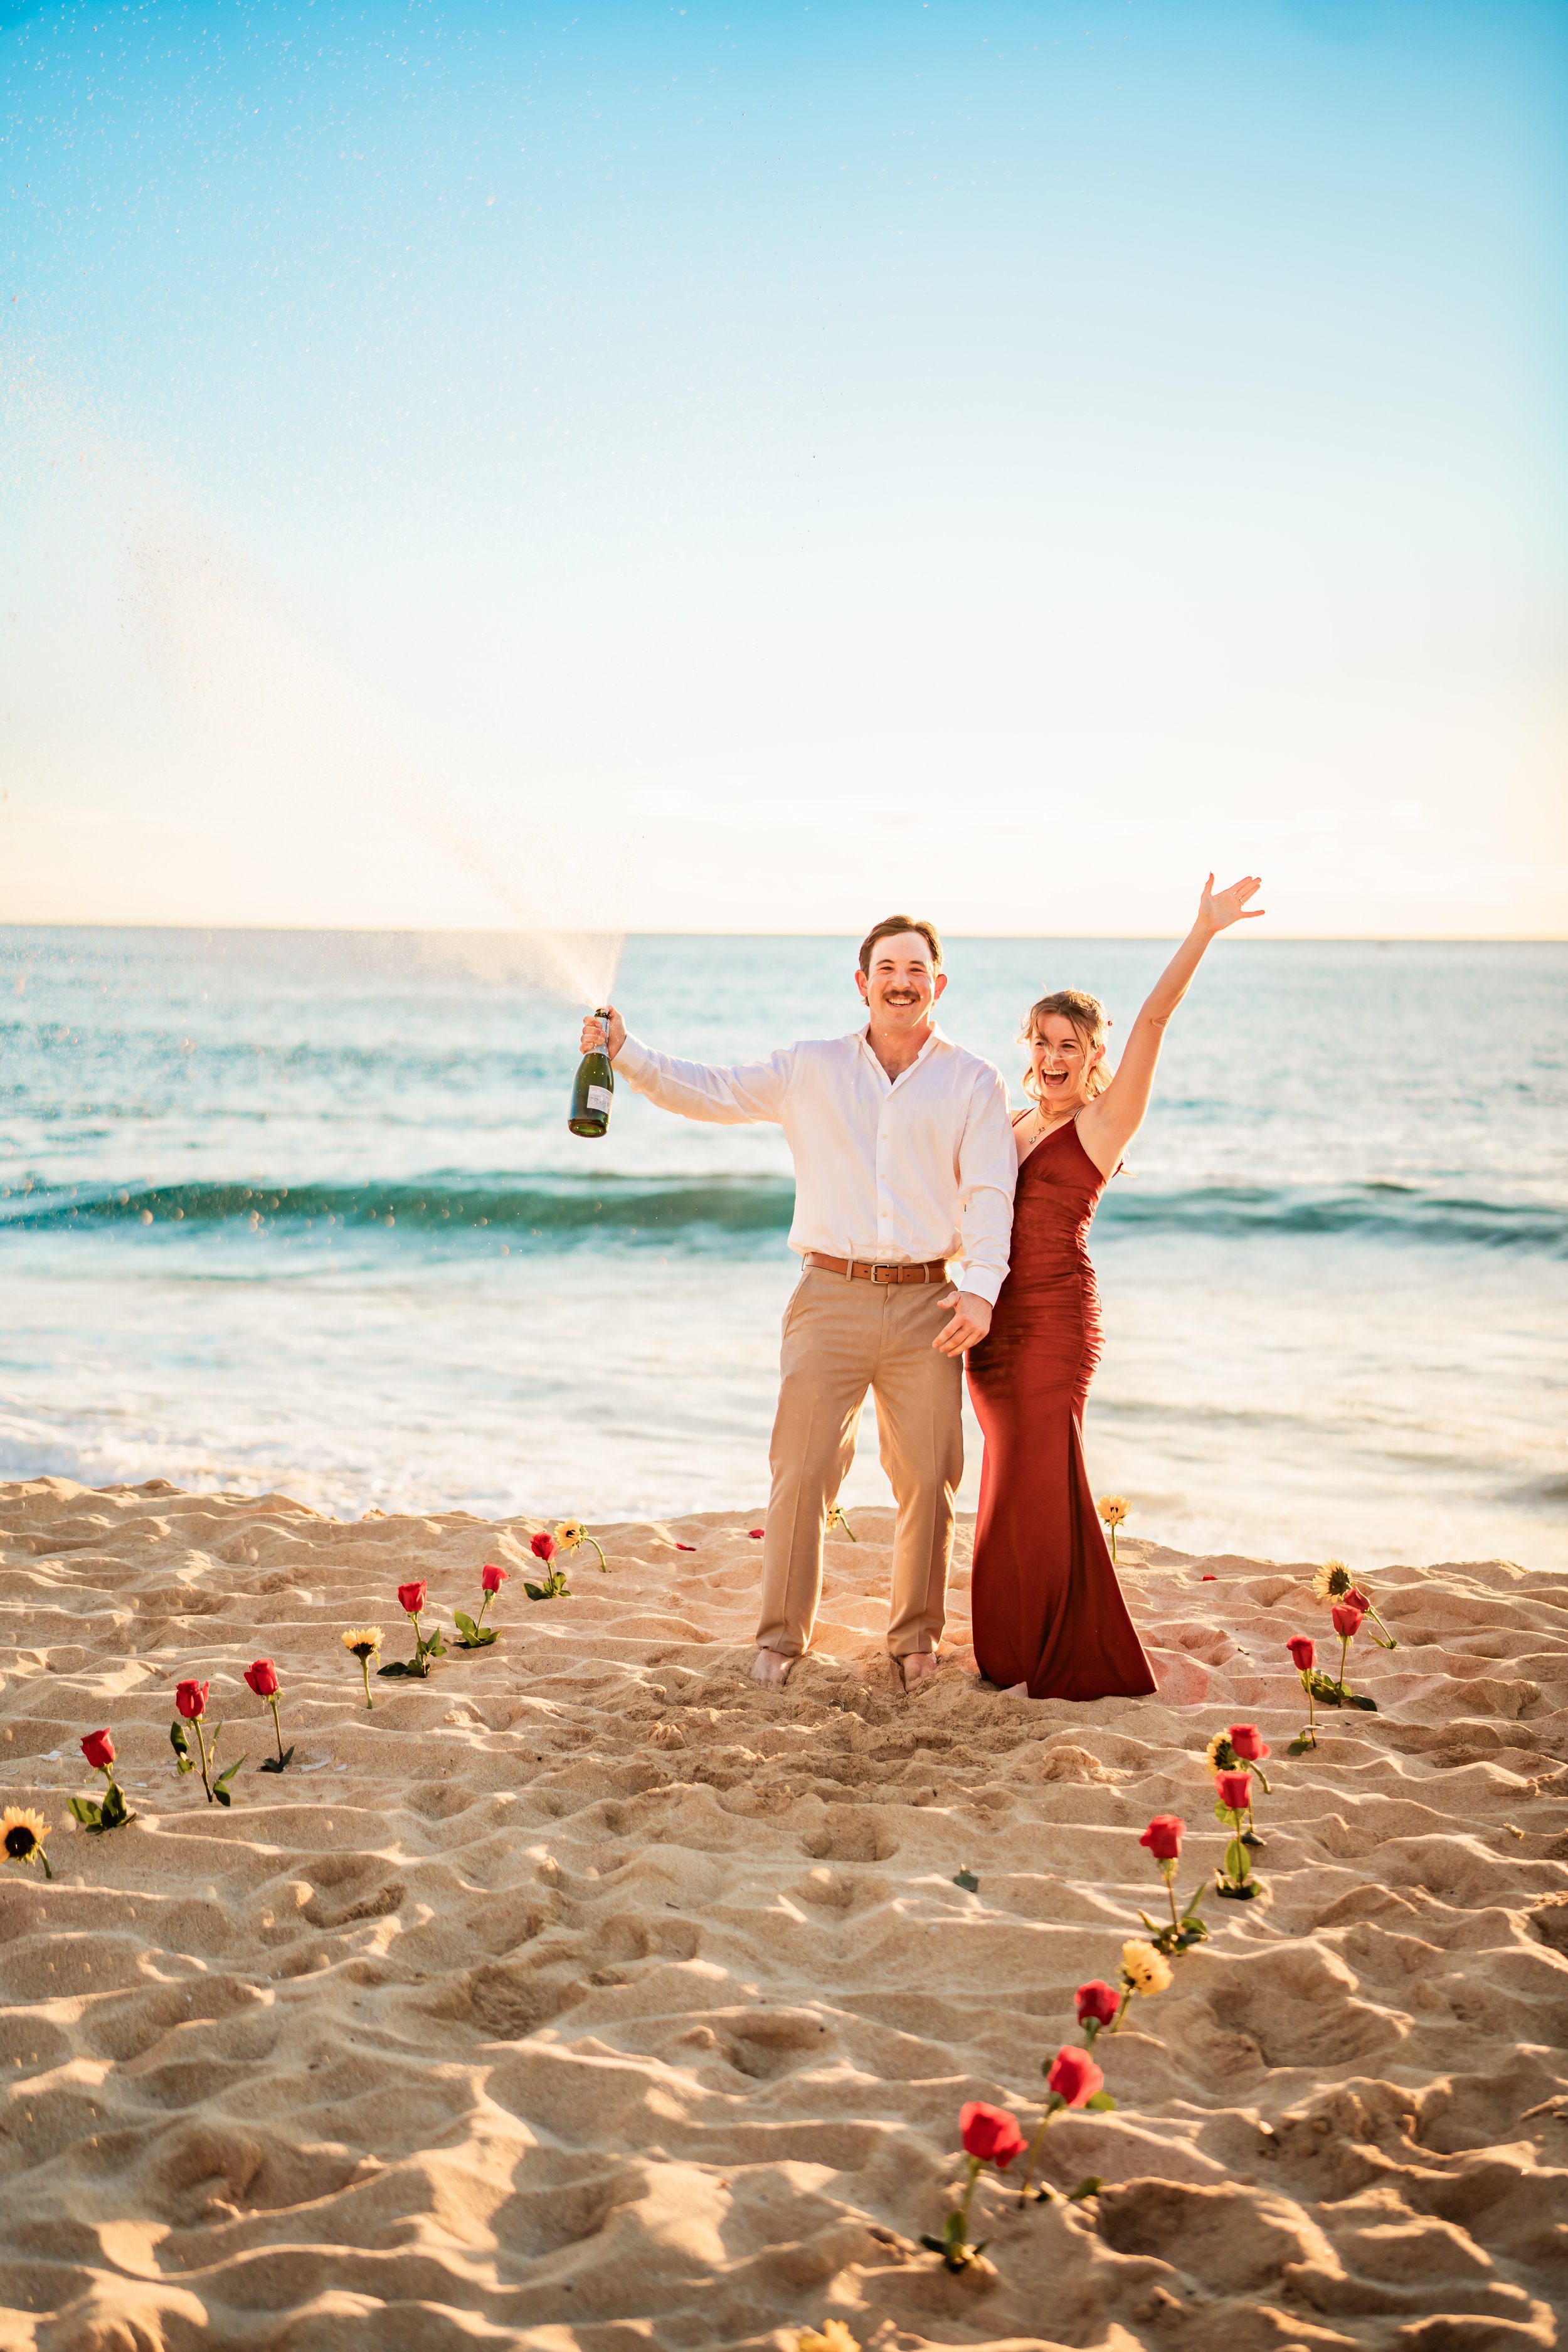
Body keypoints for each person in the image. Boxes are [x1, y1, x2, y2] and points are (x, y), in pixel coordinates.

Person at [581, 918, 1016, 1687]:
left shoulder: (973, 1080)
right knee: (802, 1471)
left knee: (929, 1476)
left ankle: (916, 1640)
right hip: (828, 1297)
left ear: (937, 984)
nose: (901, 980)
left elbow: (990, 1189)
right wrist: (628, 1053)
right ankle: (780, 1642)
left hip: (929, 1302)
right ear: (862, 983)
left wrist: (980, 1291)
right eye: (886, 967)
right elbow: (711, 1091)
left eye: (916, 968)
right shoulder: (810, 1067)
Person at [967, 872, 1264, 1701]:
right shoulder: (1014, 1121)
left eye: (1071, 1046)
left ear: (1095, 1058)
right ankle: (1013, 1649)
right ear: (1027, 1046)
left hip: (1057, 1323)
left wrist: (1202, 930)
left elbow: (1155, 1017)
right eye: (1043, 1042)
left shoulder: (1104, 1121)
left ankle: (1067, 1652)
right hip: (992, 1329)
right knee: (1007, 1484)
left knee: (1041, 1476)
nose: (1054, 1059)